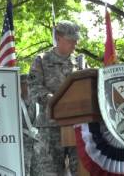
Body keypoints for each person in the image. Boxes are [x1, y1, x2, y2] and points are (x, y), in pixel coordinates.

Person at [27, 20, 80, 176]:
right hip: (50, 127)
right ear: (58, 37)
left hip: (77, 126)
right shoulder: (41, 60)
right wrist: (56, 100)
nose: (74, 44)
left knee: (83, 171)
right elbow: (34, 89)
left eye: (76, 40)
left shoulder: (79, 62)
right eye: (70, 40)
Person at [20, 74, 40, 176]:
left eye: (29, 84)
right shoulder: (15, 102)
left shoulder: (37, 102)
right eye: (24, 84)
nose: (27, 87)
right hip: (22, 146)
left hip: (37, 145)